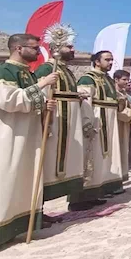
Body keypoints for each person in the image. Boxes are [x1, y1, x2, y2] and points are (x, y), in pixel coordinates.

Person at [0, 34, 57, 251]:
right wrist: (43, 84)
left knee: (18, 183)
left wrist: (46, 105)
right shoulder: (3, 72)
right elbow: (7, 100)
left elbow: (29, 100)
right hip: (3, 139)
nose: (38, 52)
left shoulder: (26, 73)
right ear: (18, 48)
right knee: (0, 183)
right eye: (34, 48)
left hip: (24, 137)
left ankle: (12, 228)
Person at [33, 26, 86, 205]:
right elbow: (39, 92)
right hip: (55, 121)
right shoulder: (46, 68)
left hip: (69, 122)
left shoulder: (68, 71)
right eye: (69, 47)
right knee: (48, 161)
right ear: (56, 47)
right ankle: (39, 207)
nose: (73, 50)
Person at [70, 51, 125, 210]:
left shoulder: (107, 79)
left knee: (101, 160)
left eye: (112, 60)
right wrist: (87, 124)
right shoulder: (88, 79)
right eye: (107, 59)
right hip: (95, 122)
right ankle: (78, 200)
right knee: (89, 160)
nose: (111, 62)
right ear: (97, 61)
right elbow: (86, 103)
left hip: (108, 122)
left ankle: (93, 194)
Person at [112, 69, 131, 179]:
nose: (126, 82)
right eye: (124, 80)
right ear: (116, 80)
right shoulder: (114, 93)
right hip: (116, 125)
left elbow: (129, 107)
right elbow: (120, 112)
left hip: (125, 126)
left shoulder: (123, 93)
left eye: (128, 80)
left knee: (124, 149)